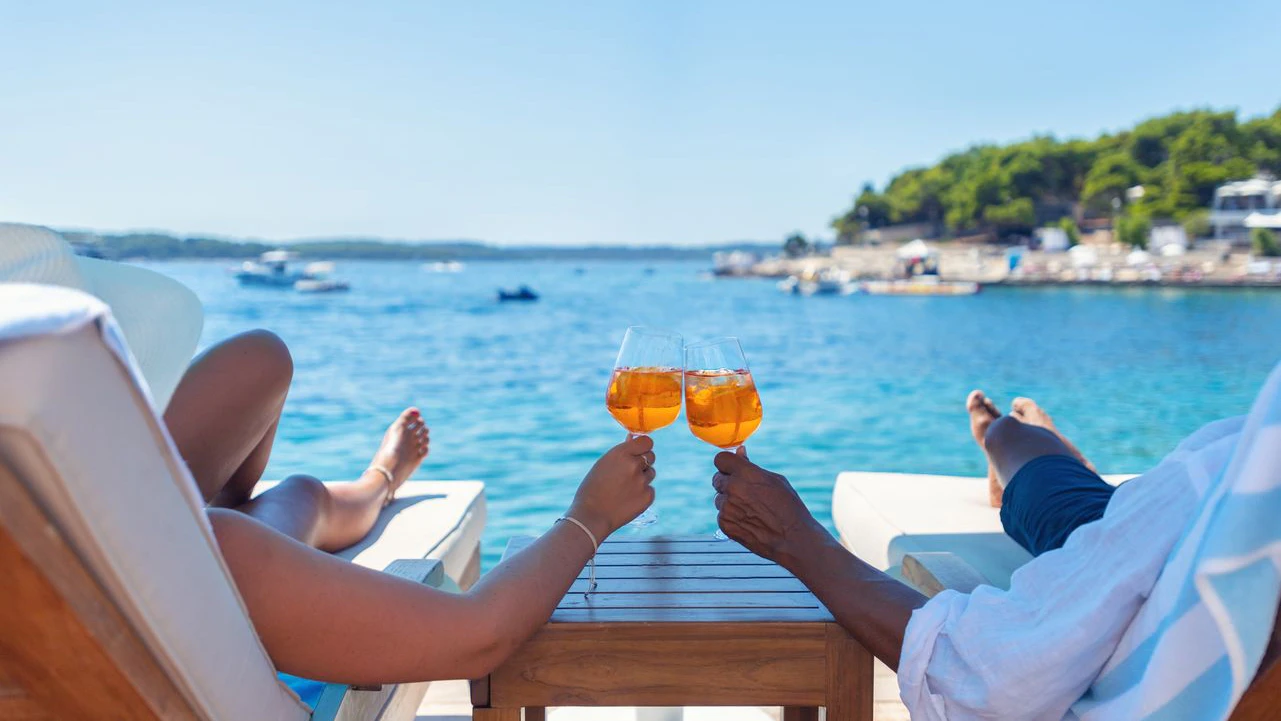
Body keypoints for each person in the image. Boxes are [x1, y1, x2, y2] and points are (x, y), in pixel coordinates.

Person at [711, 389, 1281, 719]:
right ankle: (1038, 460)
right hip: (1163, 530)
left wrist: (794, 537)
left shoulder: (1244, 474)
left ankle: (1007, 443)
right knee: (1071, 498)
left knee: (1031, 462)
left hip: (1164, 533)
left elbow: (992, 677)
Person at [175, 330, 657, 685]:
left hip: (164, 523)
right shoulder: (222, 559)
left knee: (264, 361)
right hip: (196, 568)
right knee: (249, 523)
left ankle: (377, 481)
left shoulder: (203, 539)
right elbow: (477, 636)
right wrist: (591, 516)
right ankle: (376, 480)